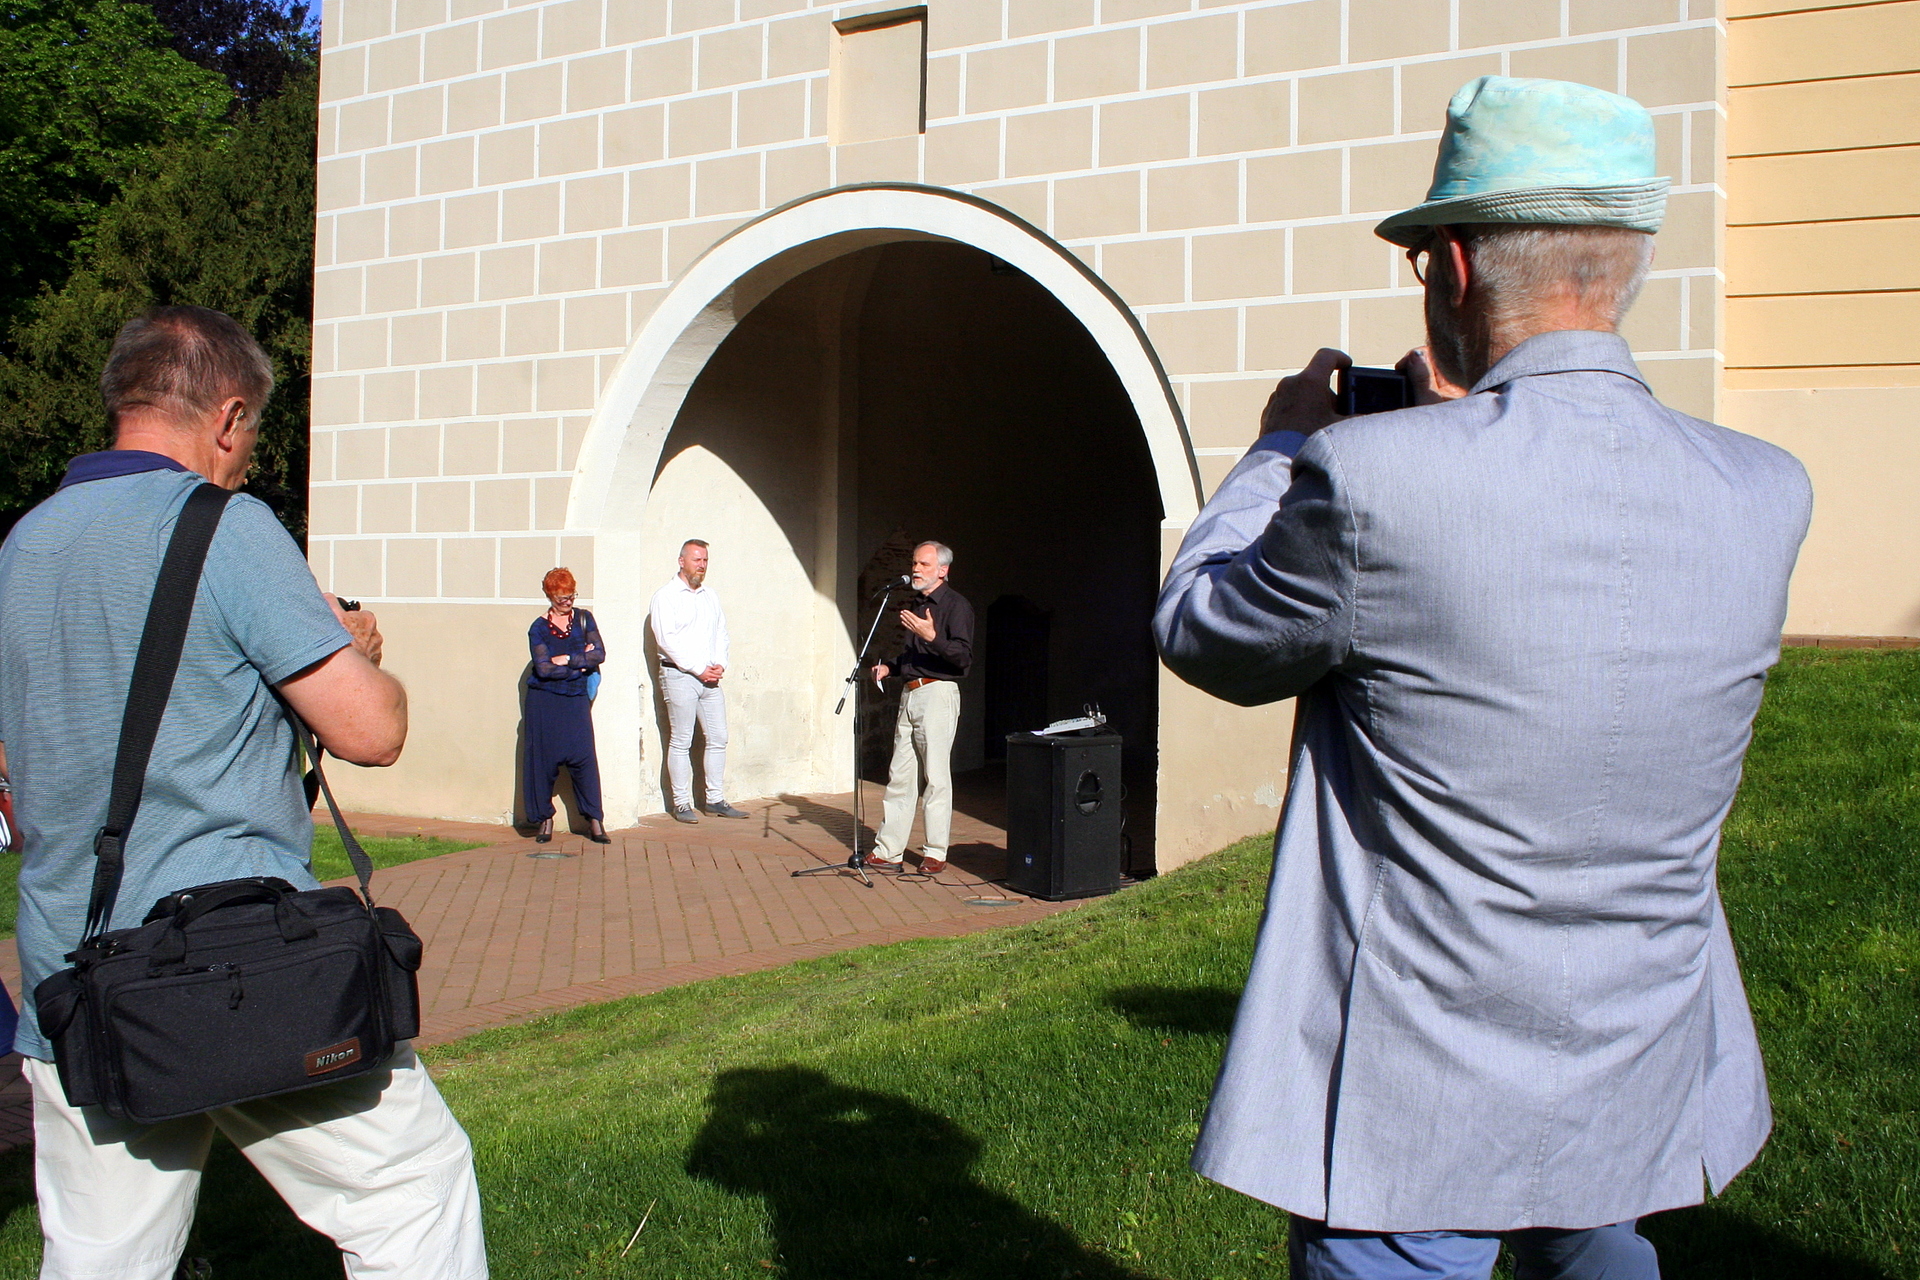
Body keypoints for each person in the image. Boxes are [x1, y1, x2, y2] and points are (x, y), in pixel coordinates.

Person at [1154, 77, 1812, 1280]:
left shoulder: (1369, 475)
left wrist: (1282, 442)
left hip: (1413, 1094)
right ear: (1630, 260)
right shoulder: (1767, 489)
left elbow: (1202, 627)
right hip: (1637, 1061)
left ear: (1453, 268)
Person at [0, 305, 486, 1278]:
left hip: (74, 970)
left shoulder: (25, 544)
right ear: (227, 416)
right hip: (238, 966)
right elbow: (373, 730)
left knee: (102, 1255)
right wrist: (348, 646)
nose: (248, 459)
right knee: (412, 1190)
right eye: (253, 432)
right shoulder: (228, 527)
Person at [869, 541, 974, 877]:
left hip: (938, 694)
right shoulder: (917, 604)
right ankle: (889, 851)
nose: (915, 569)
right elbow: (913, 657)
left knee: (936, 777)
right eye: (914, 563)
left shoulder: (956, 606)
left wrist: (932, 636)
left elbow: (963, 658)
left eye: (924, 564)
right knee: (900, 775)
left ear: (943, 570)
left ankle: (935, 852)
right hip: (911, 694)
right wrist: (890, 667)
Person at [649, 540, 748, 823]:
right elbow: (667, 640)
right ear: (682, 561)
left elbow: (720, 632)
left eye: (705, 560)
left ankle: (715, 799)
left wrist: (719, 664)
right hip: (679, 675)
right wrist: (697, 668)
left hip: (710, 679)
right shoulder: (666, 596)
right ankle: (681, 803)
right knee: (682, 739)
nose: (701, 565)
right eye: (696, 560)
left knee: (718, 737)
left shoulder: (709, 596)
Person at [524, 567, 610, 844]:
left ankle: (594, 820)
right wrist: (580, 664)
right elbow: (544, 669)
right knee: (544, 761)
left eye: (571, 595)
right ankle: (545, 819)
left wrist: (568, 659)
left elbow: (599, 653)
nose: (568, 602)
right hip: (544, 701)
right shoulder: (538, 628)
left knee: (584, 759)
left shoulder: (584, 619)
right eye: (562, 598)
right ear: (550, 596)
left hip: (575, 699)